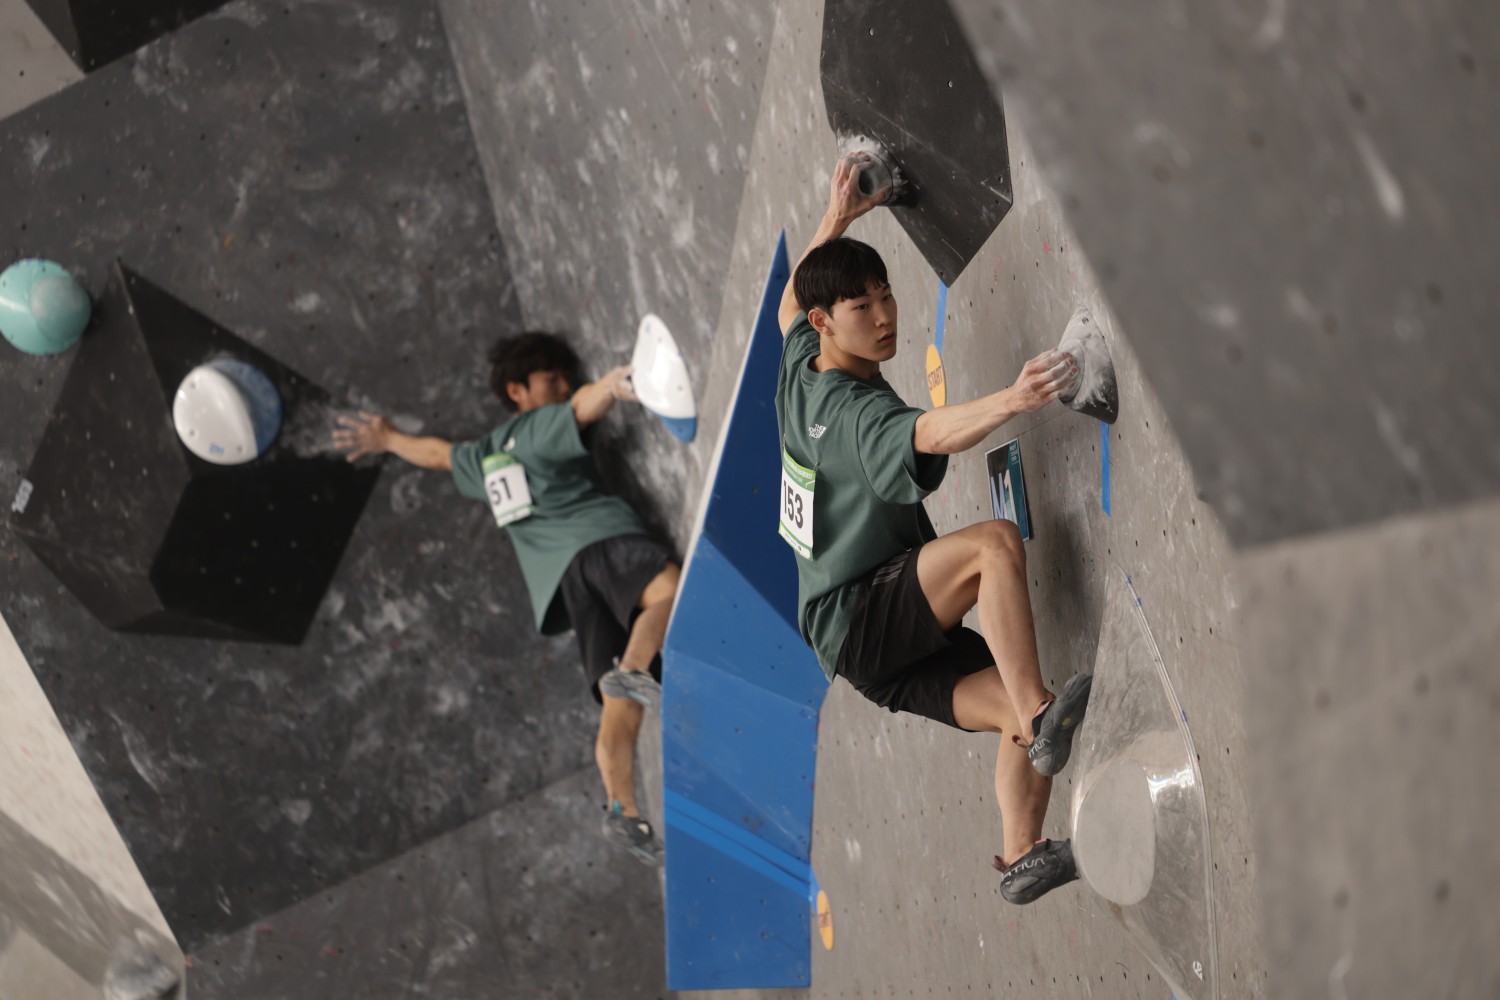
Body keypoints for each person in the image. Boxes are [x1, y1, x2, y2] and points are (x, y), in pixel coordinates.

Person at [775, 155, 1094, 904]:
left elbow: (792, 301)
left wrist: (838, 216)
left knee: (1008, 705)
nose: (884, 317)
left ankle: (1021, 855)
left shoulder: (800, 364)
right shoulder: (852, 416)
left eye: (885, 295)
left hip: (859, 654)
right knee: (992, 547)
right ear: (829, 323)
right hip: (859, 613)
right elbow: (932, 433)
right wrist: (1015, 398)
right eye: (863, 308)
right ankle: (1042, 714)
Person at [332, 332, 679, 866]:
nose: (564, 386)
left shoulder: (484, 456)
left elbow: (438, 454)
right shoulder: (536, 427)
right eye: (551, 379)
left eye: (565, 377)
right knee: (668, 592)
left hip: (564, 584)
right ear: (517, 390)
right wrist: (613, 385)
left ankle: (622, 807)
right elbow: (583, 408)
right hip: (600, 543)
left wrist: (389, 439)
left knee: (618, 708)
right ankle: (633, 668)